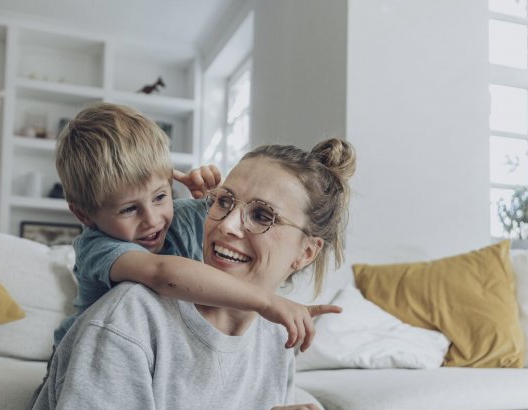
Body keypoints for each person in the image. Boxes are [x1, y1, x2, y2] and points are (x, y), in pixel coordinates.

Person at [0, 138, 398, 410]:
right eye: (224, 201)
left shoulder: (272, 338)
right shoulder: (127, 322)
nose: (226, 225)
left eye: (261, 215)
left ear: (306, 253)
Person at [53, 102, 338, 351]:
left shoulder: (182, 216)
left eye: (160, 197)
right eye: (129, 209)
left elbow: (234, 216)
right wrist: (265, 301)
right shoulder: (98, 246)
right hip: (89, 362)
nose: (153, 219)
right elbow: (161, 273)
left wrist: (212, 196)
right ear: (84, 215)